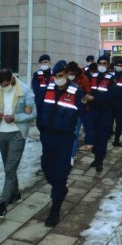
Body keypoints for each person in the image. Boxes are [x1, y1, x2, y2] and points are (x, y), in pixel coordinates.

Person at [35, 60, 92, 227]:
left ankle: (55, 208)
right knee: (46, 168)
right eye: (55, 76)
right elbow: (40, 109)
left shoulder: (77, 92)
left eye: (60, 76)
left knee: (60, 174)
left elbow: (87, 116)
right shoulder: (48, 89)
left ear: (67, 75)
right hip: (47, 137)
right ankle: (60, 188)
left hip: (65, 138)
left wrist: (89, 139)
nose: (57, 79)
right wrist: (41, 127)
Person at [0, 68, 37, 218]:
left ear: (12, 78)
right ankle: (16, 194)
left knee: (10, 169)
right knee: (8, 167)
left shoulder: (25, 91)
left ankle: (3, 205)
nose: (4, 87)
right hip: (1, 132)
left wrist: (16, 117)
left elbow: (33, 113)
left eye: (6, 83)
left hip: (17, 132)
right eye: (1, 84)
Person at [84, 55, 115, 172]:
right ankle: (96, 158)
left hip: (105, 112)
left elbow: (110, 95)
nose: (102, 66)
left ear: (108, 65)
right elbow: (88, 90)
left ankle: (100, 161)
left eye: (104, 63)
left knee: (102, 137)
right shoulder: (93, 76)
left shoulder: (111, 78)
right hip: (92, 111)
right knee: (93, 136)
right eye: (100, 63)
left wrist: (94, 98)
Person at [67, 61, 91, 166]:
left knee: (74, 134)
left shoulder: (84, 79)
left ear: (76, 72)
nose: (71, 75)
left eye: (73, 73)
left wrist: (84, 97)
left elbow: (88, 91)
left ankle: (71, 156)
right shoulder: (64, 79)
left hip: (78, 111)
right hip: (66, 111)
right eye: (69, 73)